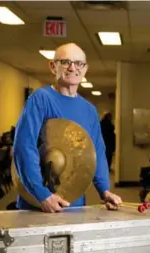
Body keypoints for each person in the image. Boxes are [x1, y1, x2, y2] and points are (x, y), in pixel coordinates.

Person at [13, 43, 123, 213]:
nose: (73, 68)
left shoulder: (89, 110)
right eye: (65, 62)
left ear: (85, 69)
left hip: (73, 201)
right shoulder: (40, 99)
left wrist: (104, 190)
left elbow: (97, 152)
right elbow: (24, 147)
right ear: (52, 66)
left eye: (79, 63)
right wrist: (42, 195)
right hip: (37, 203)